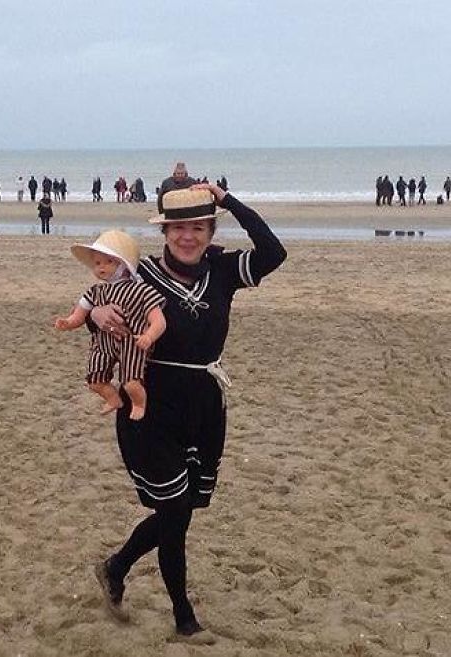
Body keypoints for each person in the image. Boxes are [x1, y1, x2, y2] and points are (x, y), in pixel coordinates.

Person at [89, 185, 286, 642]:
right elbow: (99, 310)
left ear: (211, 229)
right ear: (165, 231)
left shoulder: (222, 269)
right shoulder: (140, 276)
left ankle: (115, 567)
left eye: (198, 227)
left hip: (204, 408)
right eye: (179, 227)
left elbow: (273, 252)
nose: (188, 237)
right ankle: (183, 617)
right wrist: (98, 313)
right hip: (150, 407)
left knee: (180, 513)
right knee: (174, 510)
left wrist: (230, 200)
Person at [54, 230, 166, 420]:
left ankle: (139, 404)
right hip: (103, 343)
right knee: (95, 380)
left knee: (131, 383)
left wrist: (149, 336)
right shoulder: (95, 292)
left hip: (132, 343)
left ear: (124, 265)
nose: (101, 267)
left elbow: (159, 321)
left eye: (108, 262)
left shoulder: (142, 290)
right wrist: (68, 322)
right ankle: (114, 399)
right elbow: (80, 315)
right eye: (97, 263)